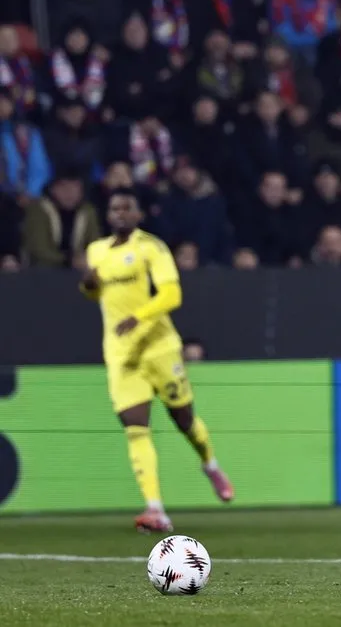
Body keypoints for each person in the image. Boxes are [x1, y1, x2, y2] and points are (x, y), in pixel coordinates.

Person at [80, 189, 234, 533]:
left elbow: (171, 294)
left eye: (127, 207)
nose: (120, 213)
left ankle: (209, 463)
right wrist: (88, 286)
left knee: (184, 419)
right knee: (136, 428)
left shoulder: (152, 247)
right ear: (109, 215)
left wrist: (139, 316)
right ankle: (155, 509)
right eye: (115, 208)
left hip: (158, 346)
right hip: (121, 354)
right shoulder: (96, 251)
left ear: (138, 215)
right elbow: (95, 293)